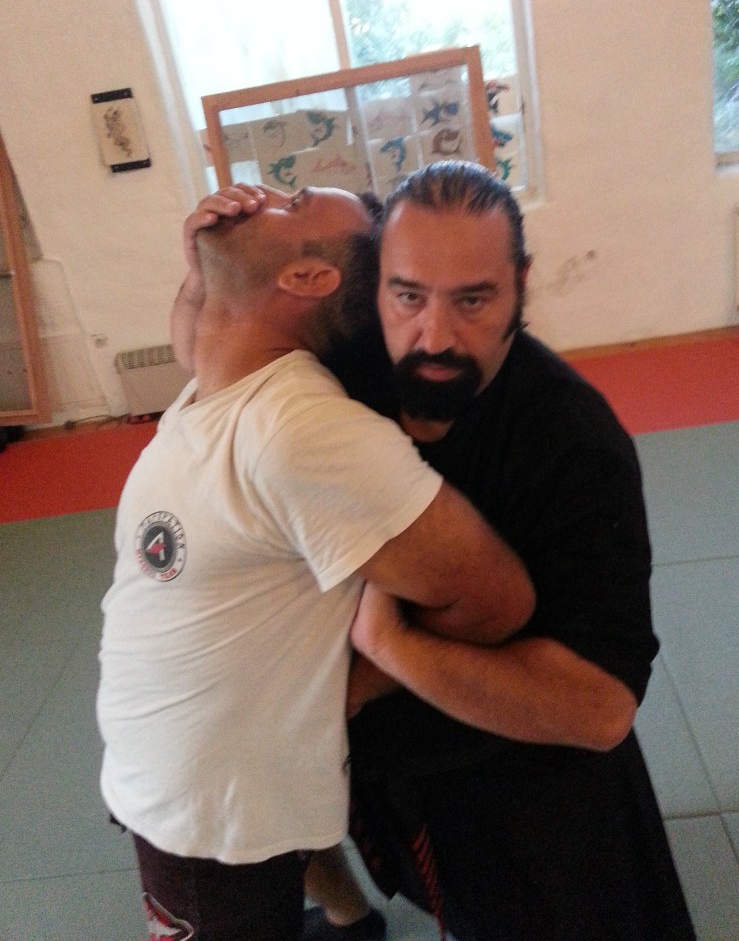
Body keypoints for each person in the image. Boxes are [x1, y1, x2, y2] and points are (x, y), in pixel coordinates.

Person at [184, 162, 696, 941]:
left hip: (522, 781)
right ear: (377, 284)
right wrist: (205, 269)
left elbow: (600, 710)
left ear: (521, 284)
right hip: (385, 774)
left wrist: (387, 650)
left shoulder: (574, 444)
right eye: (408, 296)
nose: (434, 336)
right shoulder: (349, 361)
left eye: (473, 300)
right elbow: (209, 363)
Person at [97, 183, 536, 941]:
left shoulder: (299, 433)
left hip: (204, 813)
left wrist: (352, 683)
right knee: (292, 859)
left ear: (307, 278)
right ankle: (348, 916)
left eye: (291, 201)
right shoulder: (226, 381)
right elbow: (195, 344)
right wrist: (201, 272)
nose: (255, 196)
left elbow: (493, 599)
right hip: (182, 756)